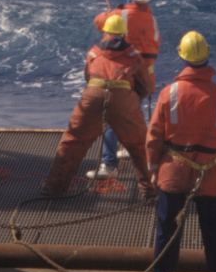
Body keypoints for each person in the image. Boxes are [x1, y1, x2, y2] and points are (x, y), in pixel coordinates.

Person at [146, 30, 216, 272]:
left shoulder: (169, 93)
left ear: (182, 57)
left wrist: (153, 169)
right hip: (209, 176)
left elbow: (154, 137)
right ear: (207, 56)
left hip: (173, 174)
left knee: (167, 231)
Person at [42, 14, 153, 197]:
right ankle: (150, 191)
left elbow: (88, 78)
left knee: (73, 141)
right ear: (124, 34)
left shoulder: (93, 52)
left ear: (105, 32)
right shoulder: (133, 54)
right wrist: (129, 100)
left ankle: (54, 188)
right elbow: (145, 87)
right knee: (139, 145)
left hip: (93, 95)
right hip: (123, 97)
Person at [88, 0, 160, 178]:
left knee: (112, 117)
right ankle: (130, 148)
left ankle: (109, 164)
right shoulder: (152, 21)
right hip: (145, 79)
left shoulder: (119, 15)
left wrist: (110, 14)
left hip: (123, 77)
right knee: (133, 113)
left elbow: (99, 23)